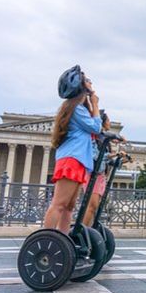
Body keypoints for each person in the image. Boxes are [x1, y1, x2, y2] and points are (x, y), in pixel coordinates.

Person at [43, 65, 102, 233]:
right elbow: (96, 127)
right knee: (59, 205)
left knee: (68, 207)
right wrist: (95, 102)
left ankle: (62, 239)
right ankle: (47, 239)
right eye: (88, 80)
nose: (91, 83)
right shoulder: (76, 109)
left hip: (78, 160)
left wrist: (91, 102)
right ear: (82, 86)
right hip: (72, 160)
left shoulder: (77, 108)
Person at [82, 110, 125, 226]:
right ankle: (82, 230)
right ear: (103, 122)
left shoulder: (104, 141)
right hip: (93, 175)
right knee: (91, 206)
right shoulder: (95, 139)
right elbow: (96, 156)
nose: (109, 122)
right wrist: (115, 153)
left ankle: (88, 229)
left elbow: (108, 161)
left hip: (101, 176)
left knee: (94, 207)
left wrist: (121, 159)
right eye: (108, 120)